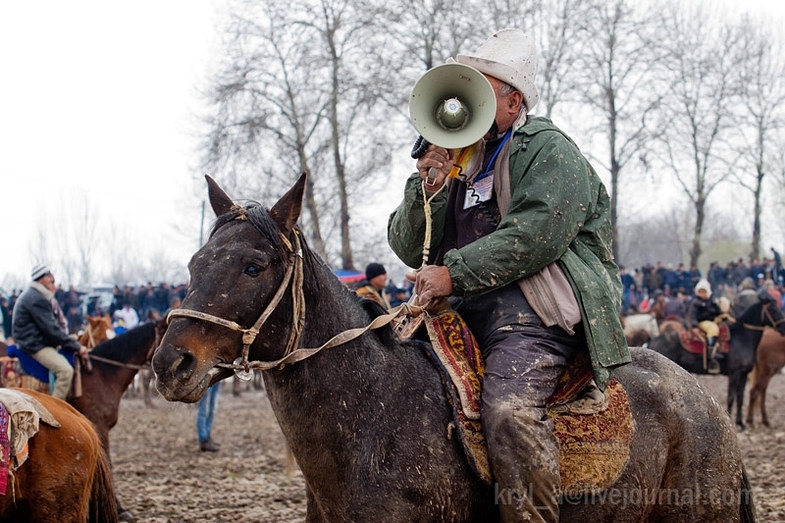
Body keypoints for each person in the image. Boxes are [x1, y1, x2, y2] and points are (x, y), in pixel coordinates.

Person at [388, 29, 630, 522]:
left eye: (479, 87)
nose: (462, 98)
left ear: (512, 99)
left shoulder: (549, 149)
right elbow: (408, 245)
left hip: (534, 316)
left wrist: (452, 274)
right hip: (464, 311)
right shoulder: (461, 160)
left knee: (509, 414)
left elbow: (537, 233)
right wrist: (425, 187)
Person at [11, 264, 88, 400]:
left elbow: (50, 329)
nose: (52, 280)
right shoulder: (36, 298)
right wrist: (77, 346)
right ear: (41, 279)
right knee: (65, 371)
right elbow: (51, 329)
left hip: (35, 341)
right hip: (34, 346)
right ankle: (53, 413)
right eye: (50, 278)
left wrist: (67, 339)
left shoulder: (34, 295)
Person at [686, 279, 723, 374]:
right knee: (713, 328)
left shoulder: (712, 302)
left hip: (713, 320)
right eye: (700, 292)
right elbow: (692, 315)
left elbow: (718, 311)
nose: (702, 294)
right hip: (702, 322)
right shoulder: (696, 303)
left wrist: (723, 315)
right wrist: (694, 326)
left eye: (704, 292)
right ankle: (711, 353)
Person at [197, 382, 221, 452]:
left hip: (217, 379)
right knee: (204, 409)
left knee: (212, 409)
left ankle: (207, 436)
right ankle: (203, 439)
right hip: (206, 379)